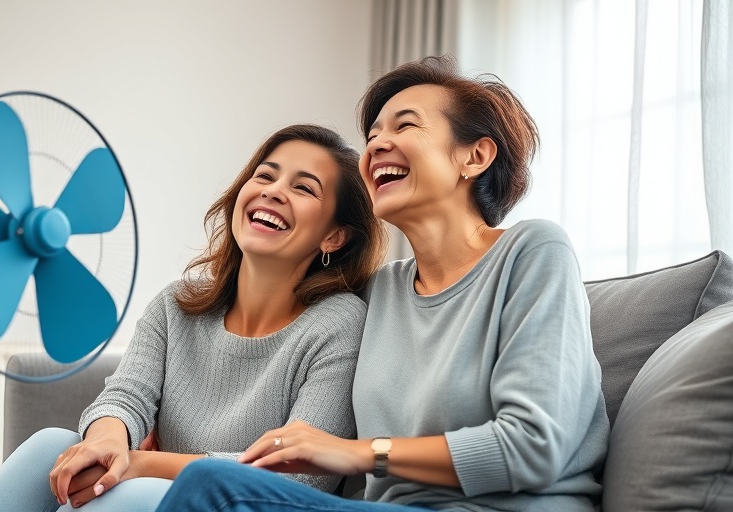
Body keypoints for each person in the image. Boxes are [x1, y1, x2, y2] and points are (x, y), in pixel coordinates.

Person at [155, 55, 610, 512]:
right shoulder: (379, 293)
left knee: (215, 486)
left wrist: (357, 453)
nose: (375, 148)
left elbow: (535, 446)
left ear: (475, 156)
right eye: (373, 136)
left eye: (404, 127)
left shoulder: (533, 251)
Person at [0, 123, 388, 511]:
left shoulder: (339, 323)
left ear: (334, 236)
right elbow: (126, 396)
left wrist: (140, 466)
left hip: (250, 506)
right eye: (265, 176)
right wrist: (107, 440)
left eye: (303, 188)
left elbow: (297, 473)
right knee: (49, 446)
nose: (275, 192)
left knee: (123, 495)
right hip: (154, 492)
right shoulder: (176, 304)